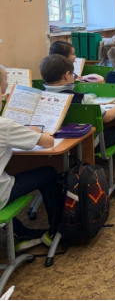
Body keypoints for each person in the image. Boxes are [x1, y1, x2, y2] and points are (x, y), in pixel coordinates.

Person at [0, 66, 58, 252]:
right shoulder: (5, 126)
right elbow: (48, 142)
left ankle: (20, 232)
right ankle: (56, 229)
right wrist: (36, 131)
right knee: (49, 172)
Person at [40, 55, 115, 151]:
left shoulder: (39, 97)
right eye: (73, 74)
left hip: (51, 143)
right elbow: (107, 117)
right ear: (66, 75)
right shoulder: (82, 98)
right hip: (86, 144)